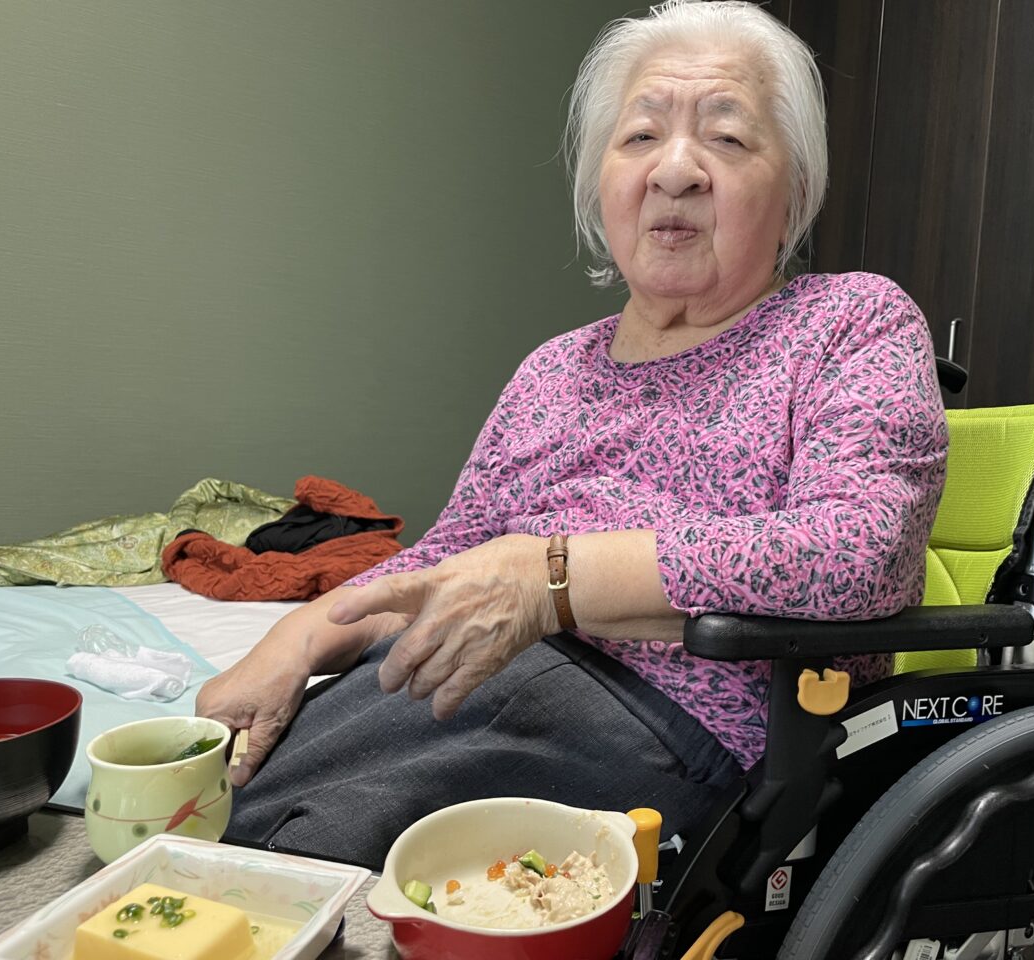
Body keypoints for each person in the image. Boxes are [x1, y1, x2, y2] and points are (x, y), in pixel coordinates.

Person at [198, 0, 948, 867]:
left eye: (728, 138)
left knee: (308, 858)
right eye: (641, 136)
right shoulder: (553, 369)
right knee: (217, 797)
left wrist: (549, 579)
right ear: (602, 184)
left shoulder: (849, 322)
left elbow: (859, 552)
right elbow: (448, 558)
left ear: (796, 193)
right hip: (495, 684)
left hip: (681, 737)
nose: (676, 170)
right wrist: (297, 639)